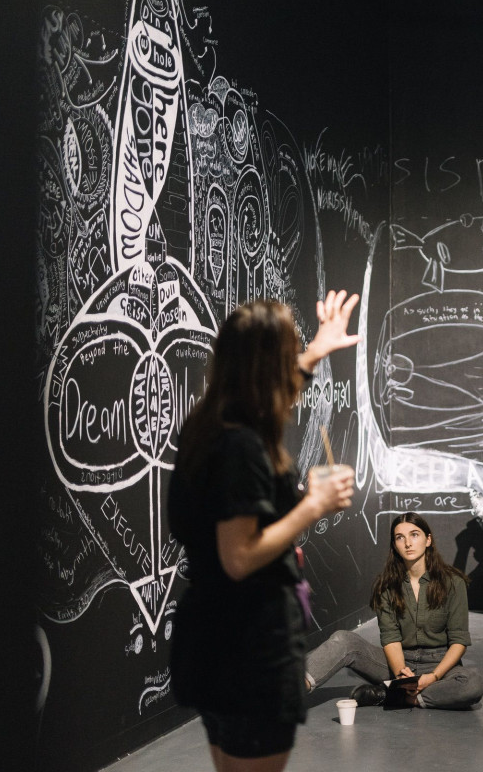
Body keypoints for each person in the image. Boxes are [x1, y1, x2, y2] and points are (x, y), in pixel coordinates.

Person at [168, 293, 360, 771]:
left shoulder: (212, 423)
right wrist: (313, 506)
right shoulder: (242, 447)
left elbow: (277, 387)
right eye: (288, 352)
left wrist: (317, 350)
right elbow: (240, 555)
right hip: (248, 645)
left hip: (217, 639)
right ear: (264, 368)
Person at [304, 513, 483, 710]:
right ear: (394, 545)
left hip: (439, 665)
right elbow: (390, 638)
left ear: (428, 540)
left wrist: (434, 676)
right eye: (400, 537)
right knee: (344, 640)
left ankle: (396, 697)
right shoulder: (386, 585)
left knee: (473, 684)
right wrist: (400, 674)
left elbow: (459, 641)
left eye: (414, 535)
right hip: (397, 663)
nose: (408, 543)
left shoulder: (453, 582)